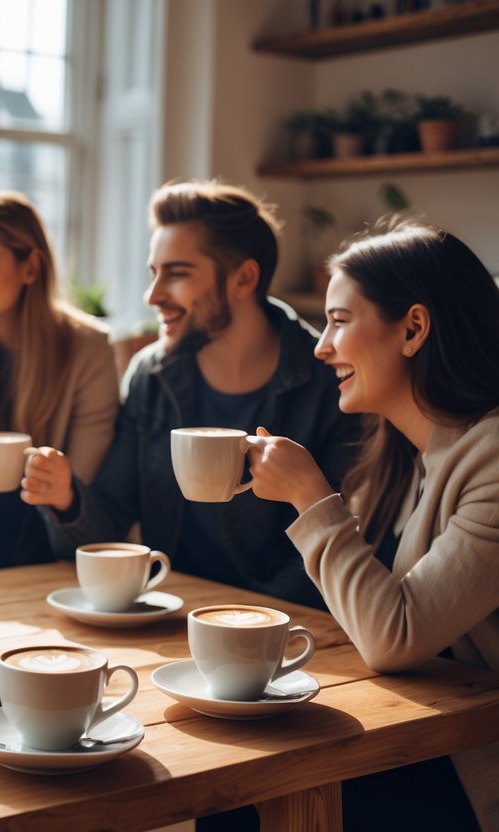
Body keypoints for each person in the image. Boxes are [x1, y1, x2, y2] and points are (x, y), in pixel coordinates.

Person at [246, 221, 498, 831]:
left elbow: (394, 636)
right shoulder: (400, 458)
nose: (320, 346)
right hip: (422, 739)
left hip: (471, 767)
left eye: (338, 320)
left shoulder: (493, 459)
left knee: (254, 791)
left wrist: (309, 497)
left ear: (413, 328)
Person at [49, 180, 359, 608]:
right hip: (174, 617)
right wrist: (67, 500)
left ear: (244, 278)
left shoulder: (329, 381)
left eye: (176, 274)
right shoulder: (150, 375)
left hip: (284, 629)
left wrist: (250, 624)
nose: (152, 295)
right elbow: (111, 522)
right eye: (153, 273)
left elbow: (348, 534)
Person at [0, 189, 119, 569]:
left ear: (30, 267)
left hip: (46, 567)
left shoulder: (88, 351)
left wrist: (64, 492)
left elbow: (88, 507)